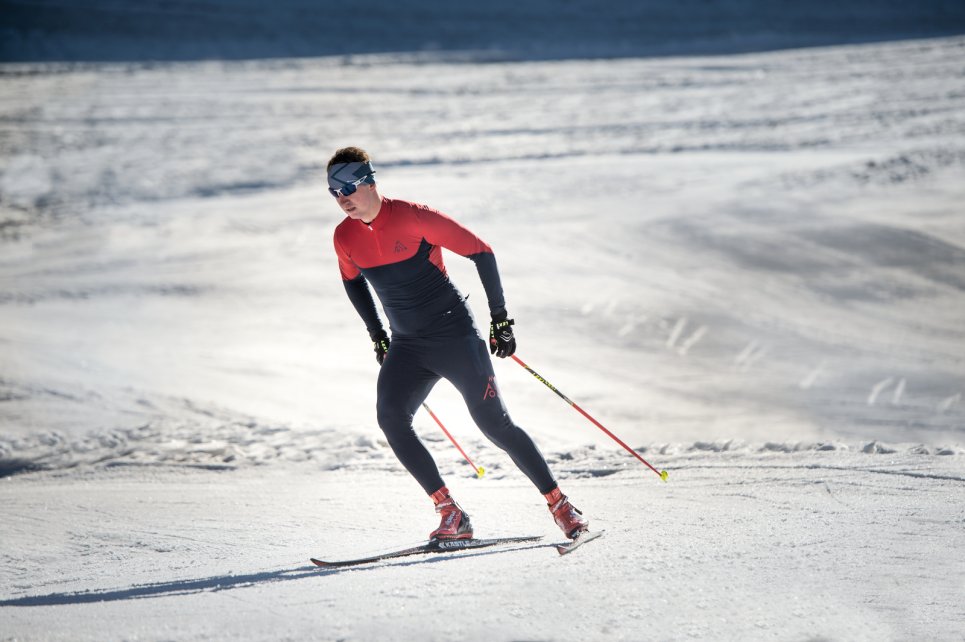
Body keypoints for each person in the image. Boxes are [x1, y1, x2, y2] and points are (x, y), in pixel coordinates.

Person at [329, 146, 589, 541]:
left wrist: (500, 318)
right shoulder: (344, 236)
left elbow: (482, 252)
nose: (342, 197)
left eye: (348, 185)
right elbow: (353, 283)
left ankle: (560, 505)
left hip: (453, 336)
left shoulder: (414, 216)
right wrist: (378, 335)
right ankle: (450, 512)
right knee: (391, 419)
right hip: (408, 346)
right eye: (333, 190)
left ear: (369, 180)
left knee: (494, 425)